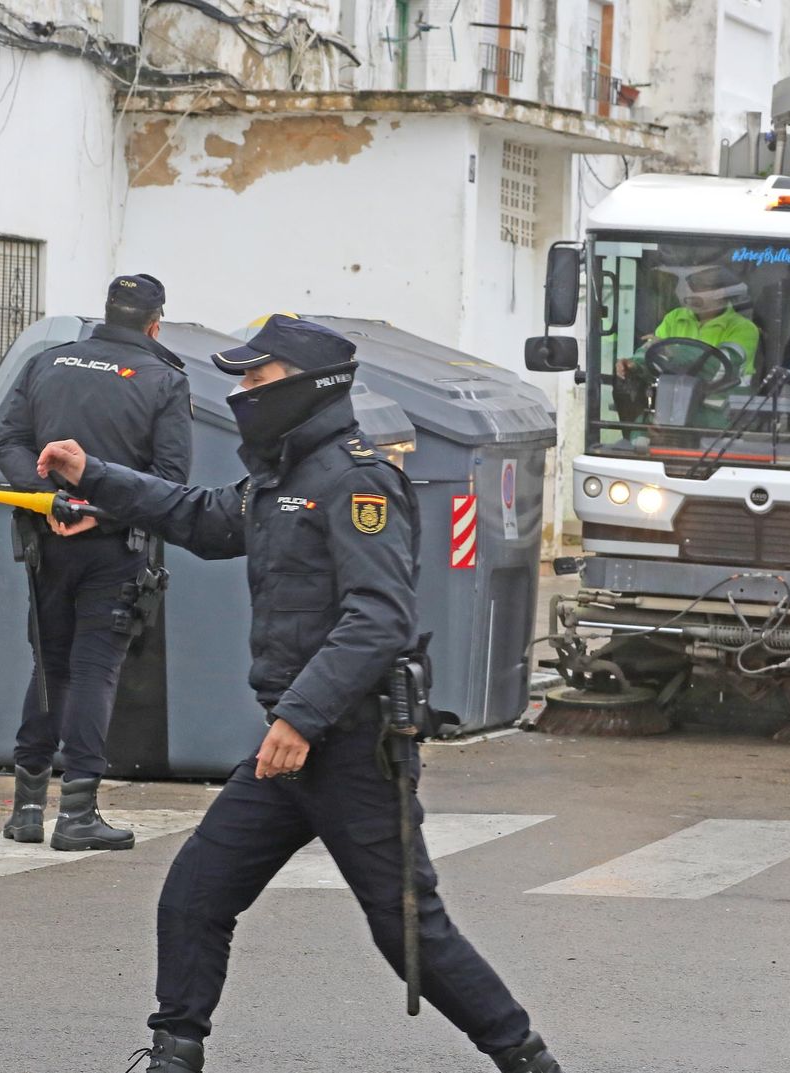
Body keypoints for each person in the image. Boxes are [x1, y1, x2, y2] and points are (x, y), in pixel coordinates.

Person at [35, 314, 562, 1073]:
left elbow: (378, 616)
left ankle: (525, 1057)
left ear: (309, 386)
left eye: (257, 378)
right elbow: (203, 518)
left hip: (351, 744)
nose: (243, 391)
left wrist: (301, 717)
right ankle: (174, 1053)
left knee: (408, 929)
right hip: (293, 744)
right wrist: (95, 474)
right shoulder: (283, 477)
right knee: (194, 894)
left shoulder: (356, 478)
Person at [0, 273, 190, 852]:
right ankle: (77, 813)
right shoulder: (165, 380)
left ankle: (27, 810)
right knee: (93, 670)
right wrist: (96, 511)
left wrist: (51, 498)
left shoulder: (48, 361)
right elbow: (170, 480)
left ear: (104, 313)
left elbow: (8, 442)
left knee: (50, 667)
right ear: (155, 324)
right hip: (114, 544)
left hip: (44, 538)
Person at [613, 265, 760, 423]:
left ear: (722, 292)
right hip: (673, 409)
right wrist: (635, 364)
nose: (692, 291)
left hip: (724, 419)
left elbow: (719, 367)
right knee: (639, 434)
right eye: (691, 285)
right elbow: (653, 351)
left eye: (701, 286)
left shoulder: (743, 328)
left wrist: (674, 351)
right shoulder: (675, 318)